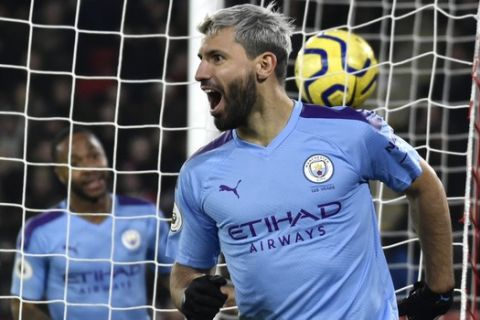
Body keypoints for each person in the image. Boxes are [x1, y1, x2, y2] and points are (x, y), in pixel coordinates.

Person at [166, 3, 455, 320]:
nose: (200, 74)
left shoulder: (354, 131)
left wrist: (438, 289)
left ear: (264, 65)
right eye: (201, 60)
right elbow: (186, 271)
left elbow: (424, 184)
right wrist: (189, 294)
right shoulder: (198, 172)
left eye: (216, 58)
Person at [10, 126, 174, 320]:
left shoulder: (145, 214)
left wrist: (181, 304)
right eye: (75, 163)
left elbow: (172, 275)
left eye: (94, 156)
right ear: (60, 173)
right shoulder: (39, 231)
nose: (90, 168)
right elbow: (23, 305)